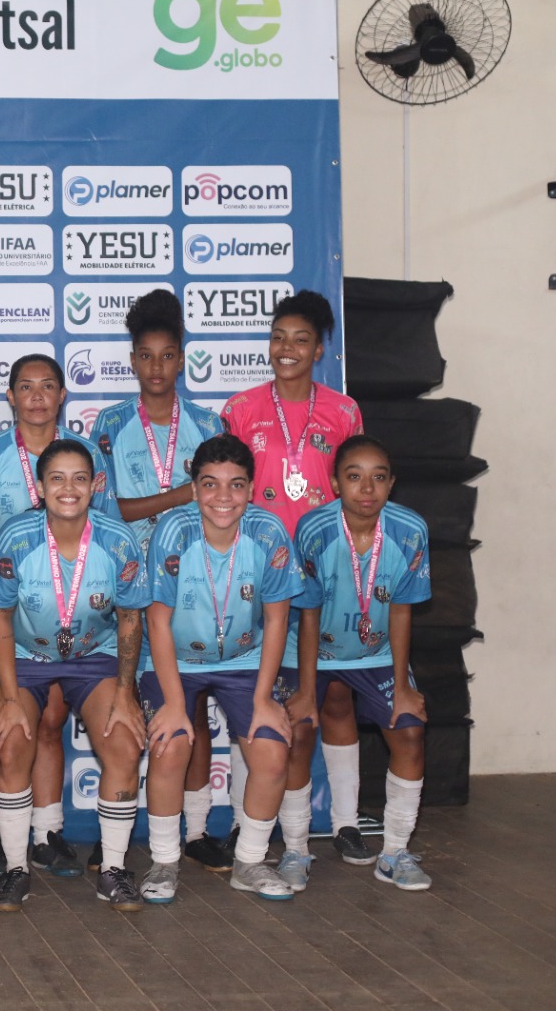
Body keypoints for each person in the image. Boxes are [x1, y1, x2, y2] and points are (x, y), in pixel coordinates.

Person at [220, 291, 370, 869]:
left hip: (327, 572)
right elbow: (228, 491)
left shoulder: (343, 410)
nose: (287, 348)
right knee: (251, 700)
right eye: (279, 336)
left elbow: (357, 487)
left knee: (333, 697)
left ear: (320, 349)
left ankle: (348, 823)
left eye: (300, 339)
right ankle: (243, 821)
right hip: (256, 574)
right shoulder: (241, 408)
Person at [89, 290, 230, 873]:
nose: (155, 368)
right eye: (144, 357)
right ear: (132, 362)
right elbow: (109, 512)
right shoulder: (110, 423)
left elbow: (225, 506)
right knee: (123, 712)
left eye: (166, 356)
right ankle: (117, 836)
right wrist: (183, 494)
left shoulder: (208, 424)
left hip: (194, 588)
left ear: (181, 361)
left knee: (187, 707)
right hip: (128, 587)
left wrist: (198, 496)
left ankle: (194, 833)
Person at [0, 440, 150, 911]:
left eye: (80, 478)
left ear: (95, 485)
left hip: (93, 654)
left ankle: (115, 869)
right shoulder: (17, 537)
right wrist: (11, 698)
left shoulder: (118, 539)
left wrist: (124, 692)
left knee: (123, 738)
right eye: (56, 478)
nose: (68, 488)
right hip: (23, 654)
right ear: (39, 487)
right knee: (13, 738)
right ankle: (16, 867)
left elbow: (129, 619)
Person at [138, 434, 301, 903]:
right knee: (171, 747)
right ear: (193, 489)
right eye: (210, 485)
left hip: (245, 660)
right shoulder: (172, 532)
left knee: (273, 752)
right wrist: (172, 703)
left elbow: (276, 619)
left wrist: (263, 697)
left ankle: (249, 861)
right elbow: (158, 621)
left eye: (236, 485)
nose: (223, 497)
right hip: (176, 660)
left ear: (251, 489)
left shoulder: (269, 533)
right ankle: (165, 861)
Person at [0, 354, 99, 877]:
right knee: (10, 722)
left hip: (67, 619)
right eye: (26, 386)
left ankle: (48, 830)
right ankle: (4, 833)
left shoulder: (86, 458)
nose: (37, 396)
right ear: (10, 396)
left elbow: (99, 535)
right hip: (0, 616)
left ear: (63, 394)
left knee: (52, 719)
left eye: (48, 386)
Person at [281, 436, 432, 892]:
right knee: (300, 729)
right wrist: (306, 691)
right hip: (312, 648)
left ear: (391, 483)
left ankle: (395, 852)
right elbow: (307, 614)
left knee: (408, 728)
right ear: (334, 483)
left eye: (378, 477)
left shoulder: (410, 531)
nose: (367, 488)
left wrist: (403, 686)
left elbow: (403, 609)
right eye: (354, 476)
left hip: (377, 651)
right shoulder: (314, 529)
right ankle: (294, 850)